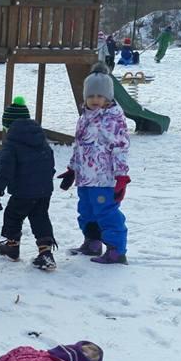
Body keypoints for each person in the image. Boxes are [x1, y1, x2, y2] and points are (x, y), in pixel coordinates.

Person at [58, 63, 130, 264]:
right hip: (85, 177)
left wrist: (121, 176)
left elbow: (120, 148)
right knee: (86, 211)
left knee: (107, 213)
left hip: (105, 179)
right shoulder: (84, 118)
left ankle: (116, 250)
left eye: (100, 96)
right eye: (91, 96)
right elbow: (79, 146)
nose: (95, 100)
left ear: (108, 98)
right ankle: (92, 243)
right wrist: (72, 169)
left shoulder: (113, 119)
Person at [0, 97, 57, 271]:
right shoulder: (40, 138)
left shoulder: (11, 143)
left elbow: (4, 169)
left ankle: (12, 246)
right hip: (43, 190)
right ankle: (45, 252)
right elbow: (49, 160)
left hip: (23, 191)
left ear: (8, 125)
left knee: (13, 215)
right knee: (40, 217)